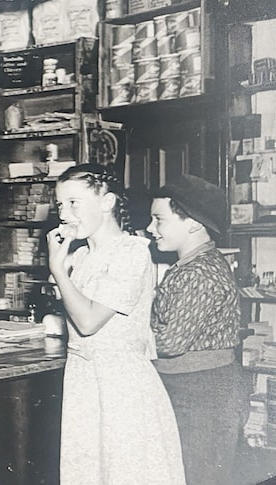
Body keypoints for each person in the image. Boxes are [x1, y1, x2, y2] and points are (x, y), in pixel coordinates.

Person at [46, 163, 185, 485]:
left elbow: (88, 322)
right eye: (60, 205)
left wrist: (57, 269)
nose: (64, 214)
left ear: (107, 202)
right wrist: (63, 269)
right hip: (84, 380)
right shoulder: (81, 257)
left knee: (125, 473)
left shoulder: (131, 253)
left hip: (122, 386)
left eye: (74, 203)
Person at [148, 175, 247, 485]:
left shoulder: (199, 272)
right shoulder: (190, 266)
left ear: (193, 224)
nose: (150, 228)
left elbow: (170, 341)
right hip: (191, 387)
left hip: (202, 391)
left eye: (159, 219)